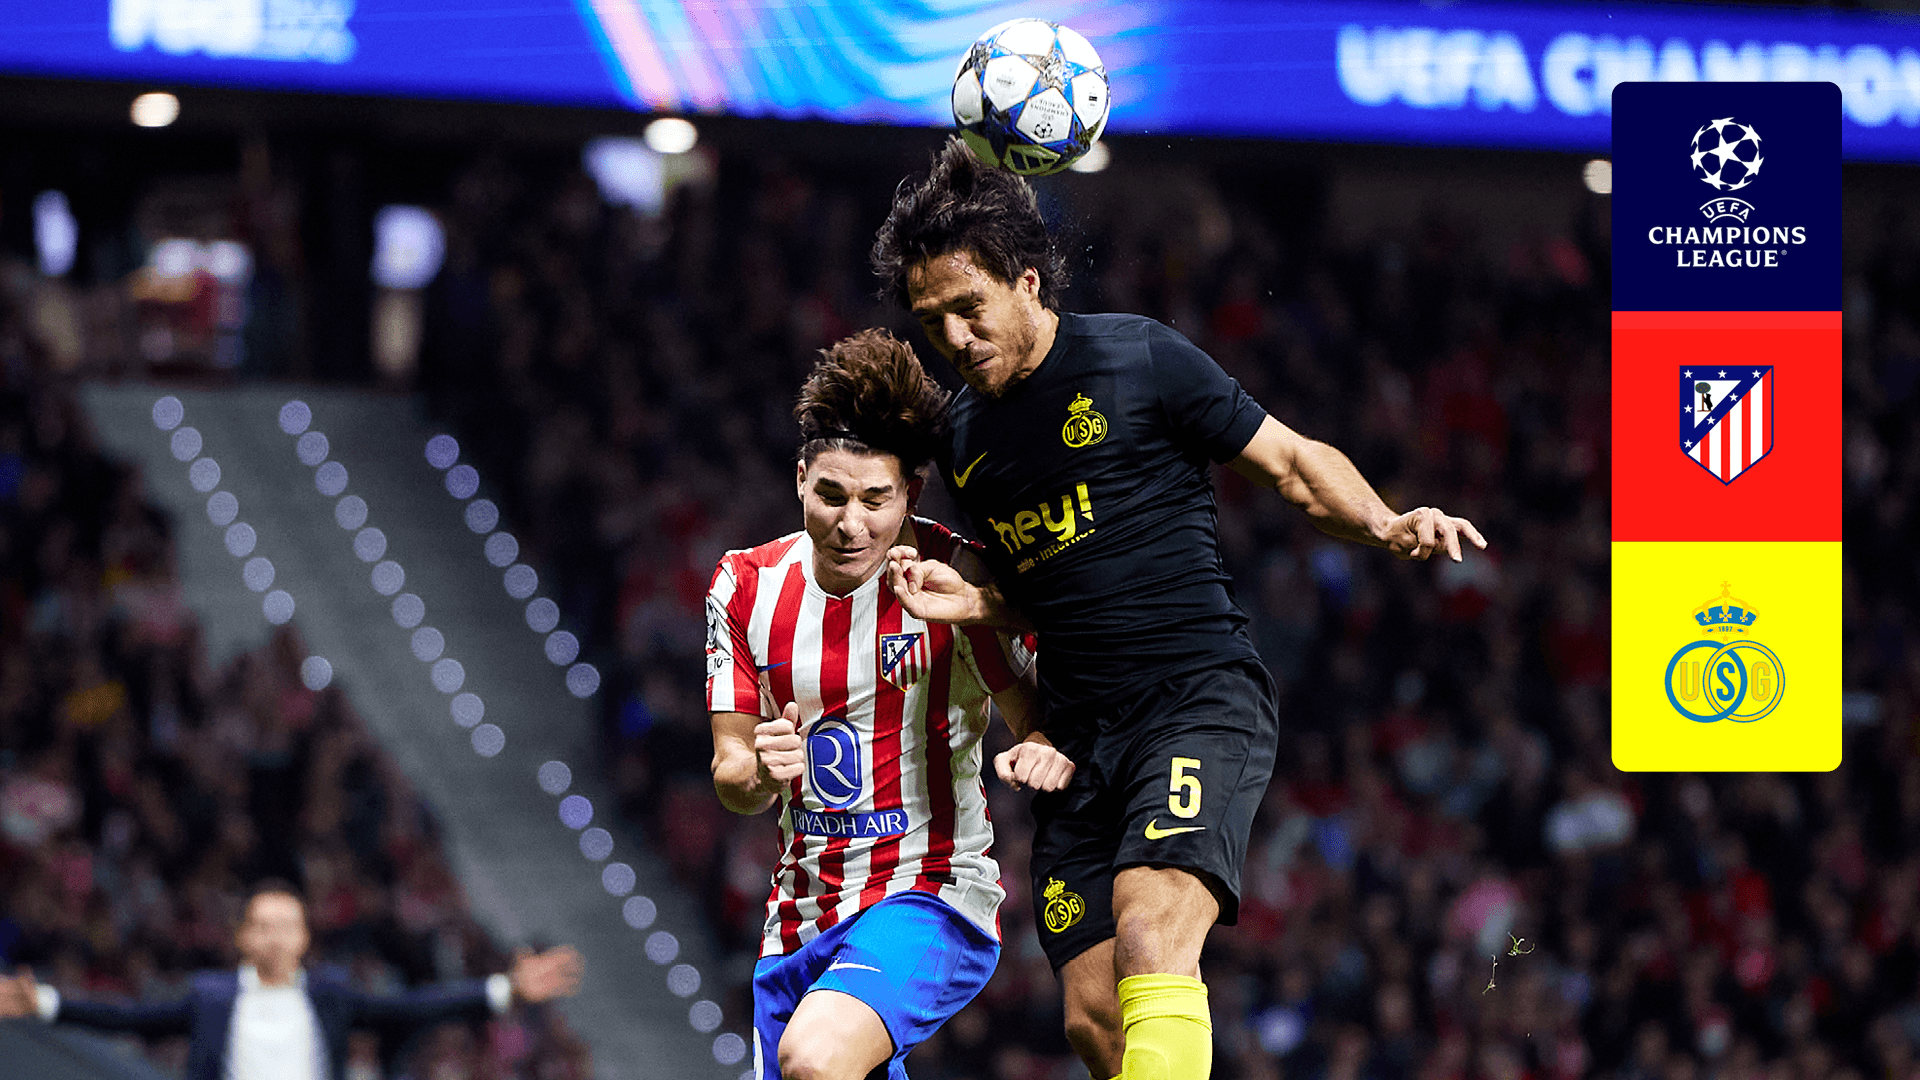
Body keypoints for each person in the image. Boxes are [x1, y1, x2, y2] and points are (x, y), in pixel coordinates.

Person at [871, 137, 1487, 1080]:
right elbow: (1043, 586)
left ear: (1027, 282)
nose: (953, 338)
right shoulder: (963, 441)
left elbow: (1292, 463)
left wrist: (1384, 521)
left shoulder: (1139, 358)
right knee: (1095, 1021)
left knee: (1152, 934)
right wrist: (981, 601)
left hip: (1194, 701)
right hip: (1078, 742)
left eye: (969, 307)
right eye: (932, 322)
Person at [707, 327, 1074, 1080]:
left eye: (876, 500)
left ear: (911, 491)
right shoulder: (743, 586)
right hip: (798, 921)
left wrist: (1042, 742)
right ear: (800, 479)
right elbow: (731, 774)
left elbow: (1036, 714)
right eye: (831, 495)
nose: (852, 524)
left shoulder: (952, 574)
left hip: (928, 893)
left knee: (814, 1060)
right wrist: (761, 771)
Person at [0, 879, 583, 1080]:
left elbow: (412, 1007)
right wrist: (45, 1003)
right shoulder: (209, 997)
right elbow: (131, 1019)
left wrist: (505, 989)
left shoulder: (331, 996)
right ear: (243, 939)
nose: (276, 938)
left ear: (305, 938)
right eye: (263, 926)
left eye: (288, 926)